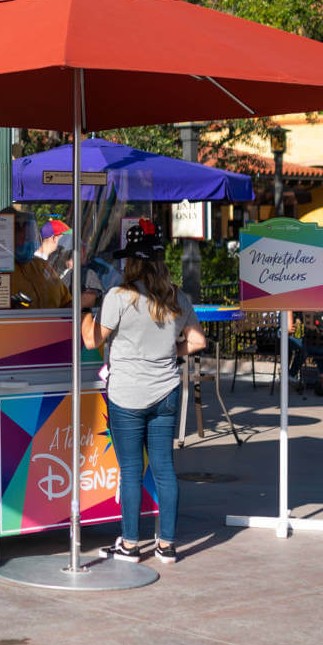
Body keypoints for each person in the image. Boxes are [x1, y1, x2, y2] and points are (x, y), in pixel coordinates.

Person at [80, 220, 206, 564]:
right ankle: (166, 544)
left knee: (131, 470)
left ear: (131, 263)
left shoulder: (119, 297)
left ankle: (131, 544)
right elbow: (197, 341)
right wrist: (169, 353)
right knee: (165, 469)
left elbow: (92, 341)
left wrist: (85, 308)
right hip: (165, 393)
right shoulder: (177, 297)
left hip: (127, 396)